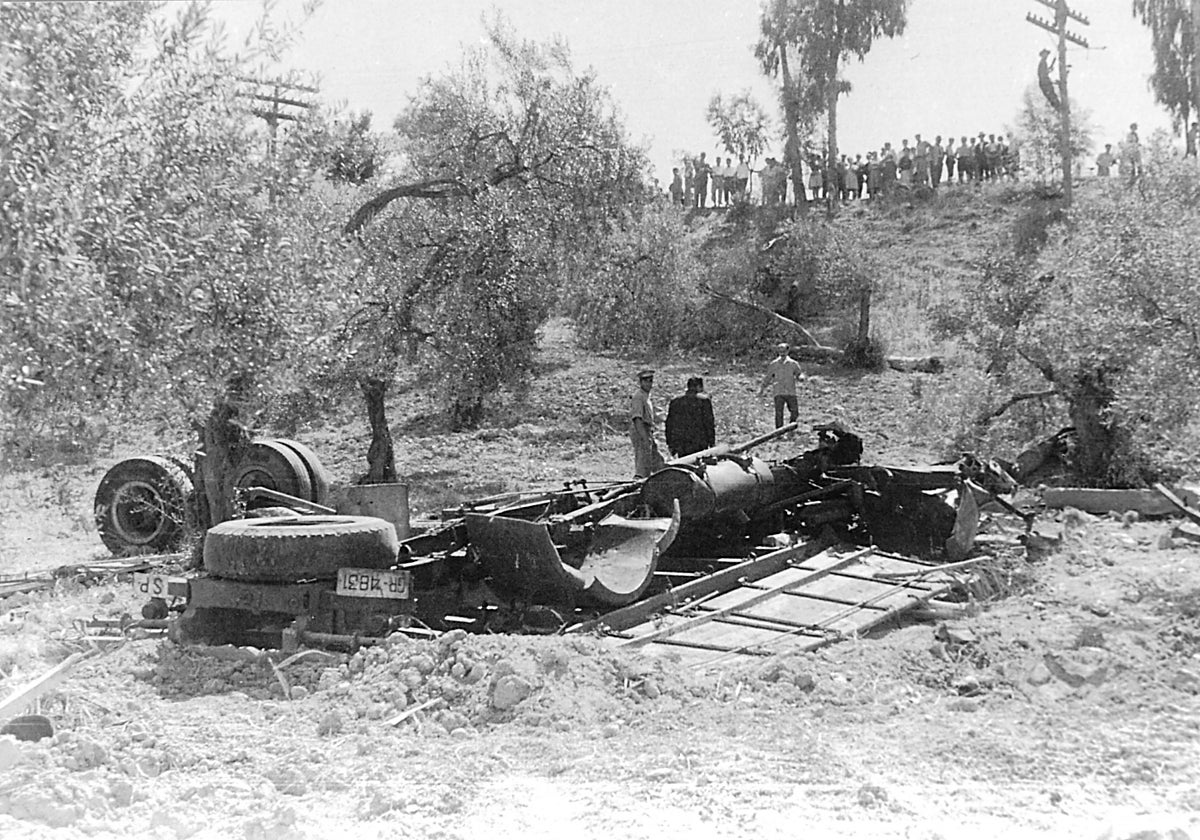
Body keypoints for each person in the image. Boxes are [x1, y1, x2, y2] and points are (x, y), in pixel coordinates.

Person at [665, 377, 716, 458]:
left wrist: (670, 444)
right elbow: (709, 423)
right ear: (698, 386)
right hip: (700, 444)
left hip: (682, 445)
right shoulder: (704, 401)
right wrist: (712, 442)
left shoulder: (676, 401)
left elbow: (669, 424)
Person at [629, 369, 665, 478]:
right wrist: (644, 437)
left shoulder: (646, 396)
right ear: (641, 382)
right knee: (643, 461)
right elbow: (637, 418)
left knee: (655, 459)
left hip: (648, 430)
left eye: (651, 381)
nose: (649, 384)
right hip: (641, 429)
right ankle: (639, 481)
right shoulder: (638, 397)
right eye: (646, 381)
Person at [759, 343, 804, 429]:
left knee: (795, 412)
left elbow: (799, 374)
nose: (782, 353)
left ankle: (791, 429)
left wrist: (801, 377)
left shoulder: (793, 364)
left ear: (787, 351)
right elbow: (768, 377)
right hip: (778, 391)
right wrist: (762, 389)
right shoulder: (774, 364)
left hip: (790, 391)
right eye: (780, 351)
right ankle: (778, 432)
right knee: (779, 413)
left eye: (783, 351)